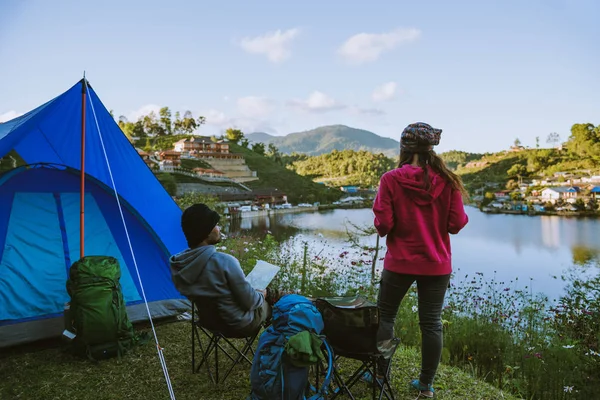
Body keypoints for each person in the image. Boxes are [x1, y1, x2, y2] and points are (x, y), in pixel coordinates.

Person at [372, 122, 469, 398]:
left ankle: (380, 375)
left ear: (403, 148)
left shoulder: (390, 179)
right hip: (436, 264)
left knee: (386, 316)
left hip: (399, 263)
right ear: (432, 149)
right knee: (431, 323)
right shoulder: (448, 180)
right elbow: (456, 223)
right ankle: (425, 386)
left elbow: (384, 225)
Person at [169, 203, 270, 337]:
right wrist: (262, 294)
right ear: (205, 231)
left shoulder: (179, 264)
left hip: (210, 324)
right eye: (215, 225)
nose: (219, 228)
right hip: (240, 325)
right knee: (275, 303)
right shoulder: (224, 262)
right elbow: (250, 302)